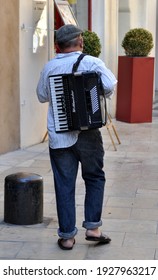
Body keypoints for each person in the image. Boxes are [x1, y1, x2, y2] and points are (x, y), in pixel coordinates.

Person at [36, 24, 117, 250]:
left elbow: (42, 96)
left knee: (64, 184)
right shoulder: (92, 62)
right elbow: (110, 85)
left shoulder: (49, 67)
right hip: (89, 134)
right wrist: (93, 90)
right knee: (94, 177)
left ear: (57, 47)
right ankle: (93, 228)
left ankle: (68, 237)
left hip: (60, 136)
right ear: (81, 42)